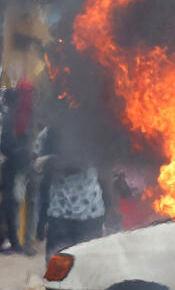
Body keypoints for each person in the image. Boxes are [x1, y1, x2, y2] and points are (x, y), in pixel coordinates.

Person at [33, 121, 117, 259]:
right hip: (64, 216)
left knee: (82, 270)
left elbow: (104, 171)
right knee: (64, 271)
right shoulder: (49, 134)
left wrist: (110, 205)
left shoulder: (93, 134)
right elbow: (35, 163)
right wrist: (50, 161)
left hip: (87, 215)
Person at [0, 87, 27, 253]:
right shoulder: (9, 117)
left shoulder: (6, 116)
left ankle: (10, 240)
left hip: (6, 164)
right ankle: (9, 240)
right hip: (7, 165)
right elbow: (6, 143)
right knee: (9, 203)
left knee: (8, 202)